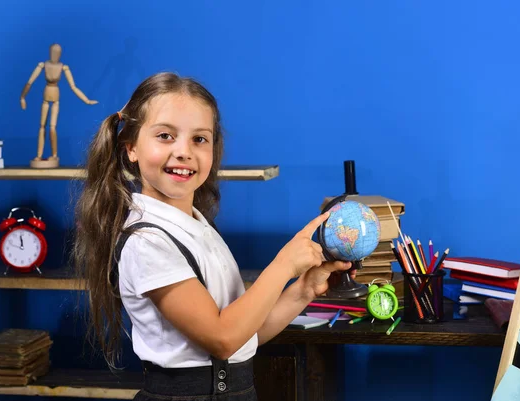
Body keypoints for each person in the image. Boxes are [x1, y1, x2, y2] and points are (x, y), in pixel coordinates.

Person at [73, 72, 353, 401]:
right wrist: (284, 265)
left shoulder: (198, 226)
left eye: (199, 139)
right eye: (165, 136)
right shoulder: (147, 241)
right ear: (131, 148)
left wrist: (305, 287)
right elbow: (222, 338)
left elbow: (246, 333)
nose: (184, 152)